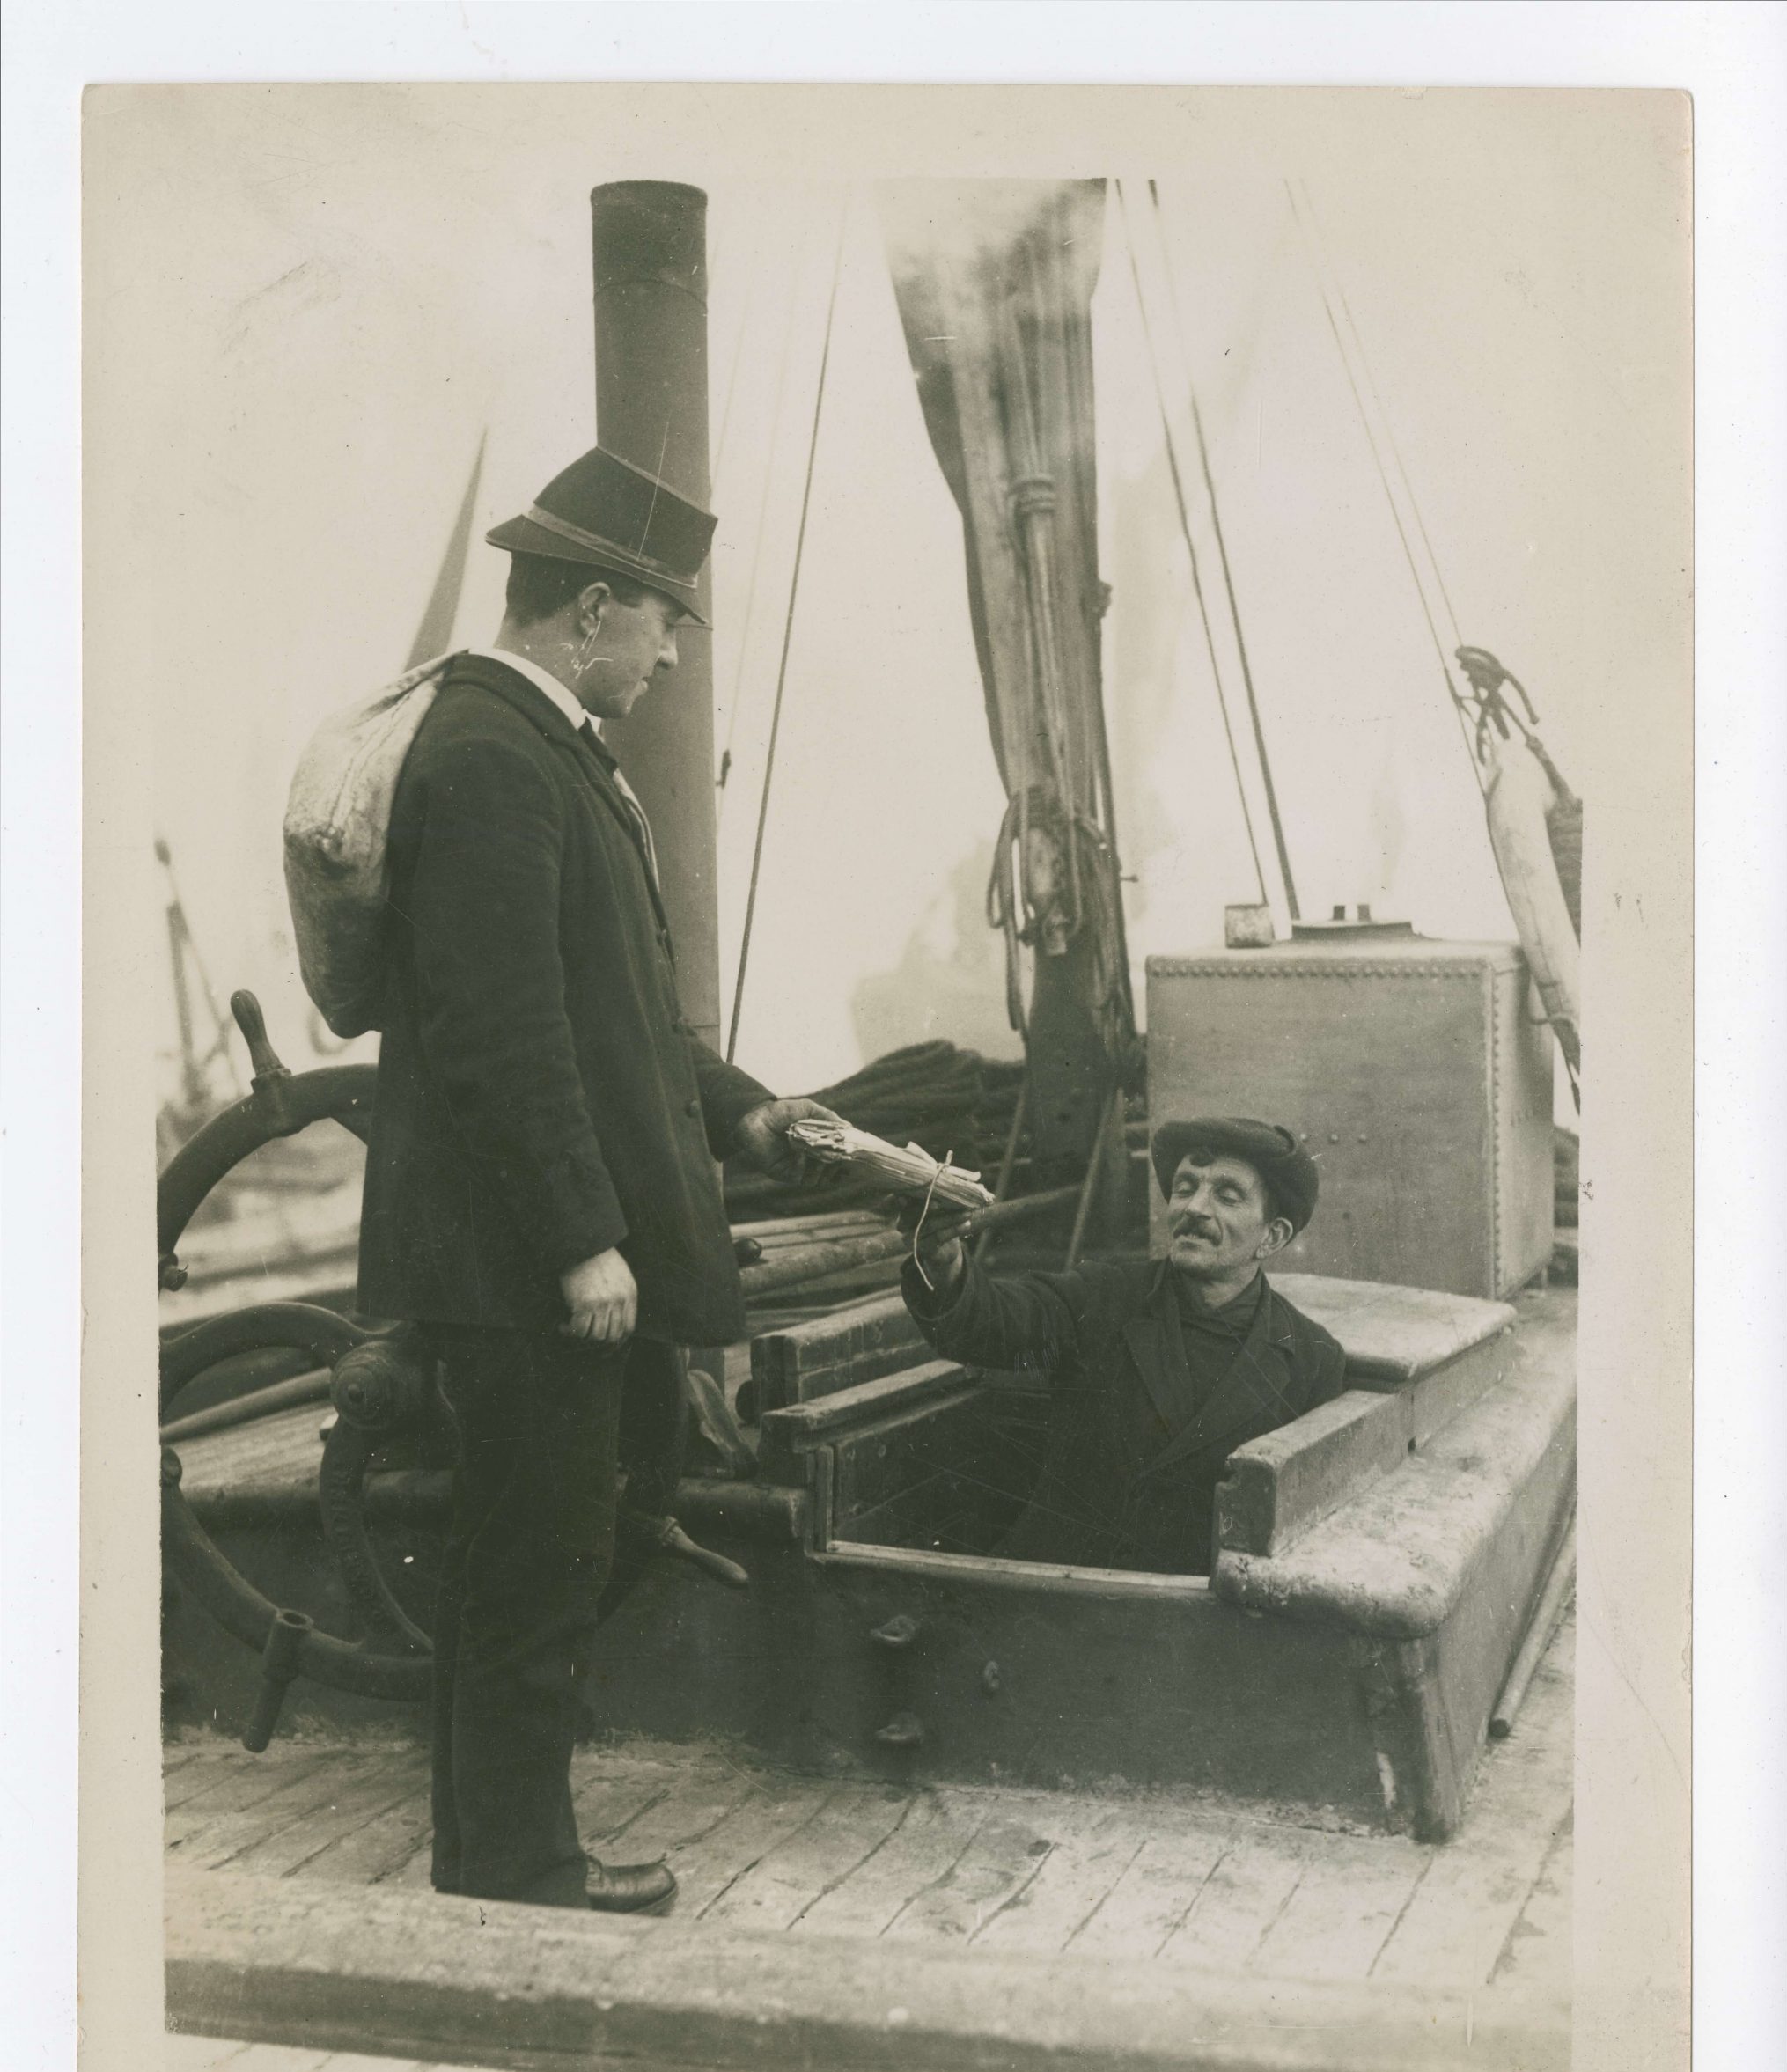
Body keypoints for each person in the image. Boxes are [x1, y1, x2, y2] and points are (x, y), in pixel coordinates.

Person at [357, 445, 838, 1913]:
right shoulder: (495, 755)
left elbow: (620, 1025)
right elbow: (499, 1035)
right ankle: (509, 1864)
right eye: (663, 619)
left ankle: (494, 1840)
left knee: (575, 1538)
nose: (674, 648)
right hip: (522, 1268)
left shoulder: (551, 754)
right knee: (531, 1559)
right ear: (590, 609)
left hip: (544, 1254)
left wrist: (749, 1117)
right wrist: (581, 1240)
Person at [899, 1117, 1348, 1577]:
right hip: (1058, 1598)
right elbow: (992, 1323)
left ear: (1272, 1236)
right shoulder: (1105, 1295)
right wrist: (945, 1262)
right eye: (1185, 1187)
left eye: (1226, 1196)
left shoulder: (1313, 1360)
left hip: (1200, 1627)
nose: (1194, 1207)